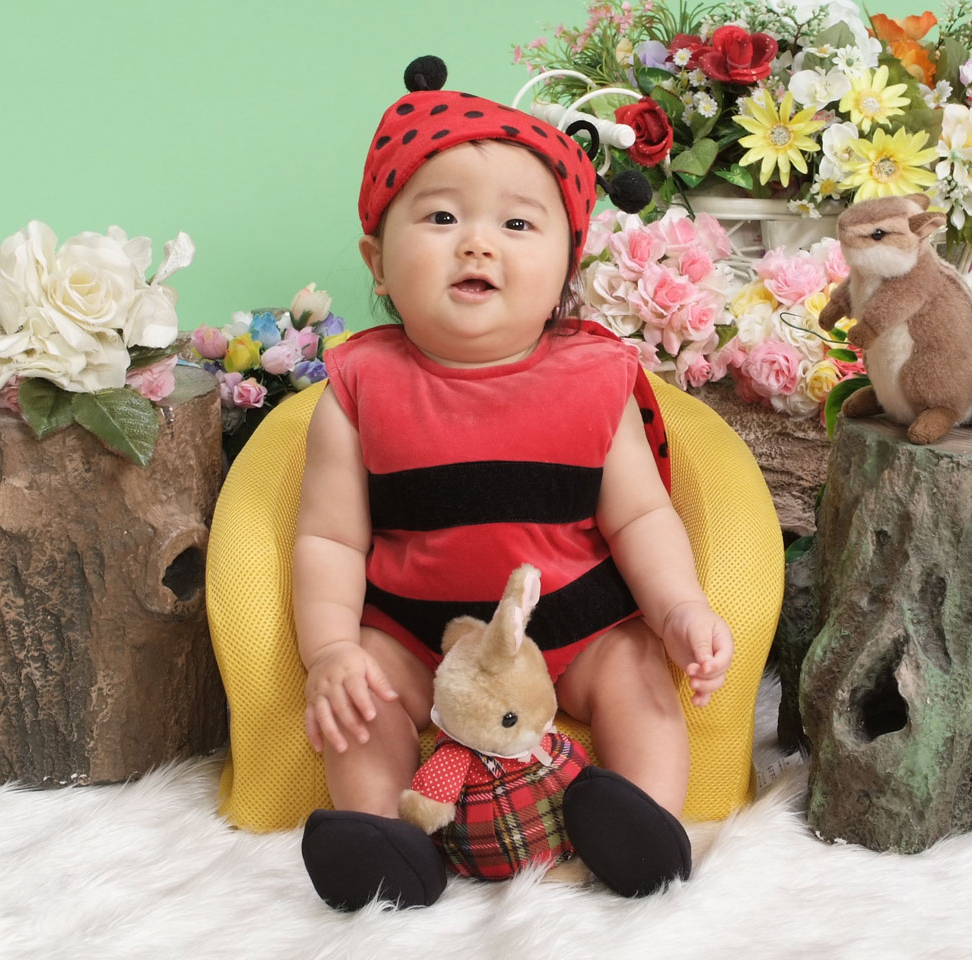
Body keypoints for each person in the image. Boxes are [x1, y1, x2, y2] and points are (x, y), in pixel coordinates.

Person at [293, 57, 734, 911]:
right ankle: (385, 838)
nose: (477, 243)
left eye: (519, 224)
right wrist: (332, 651)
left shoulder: (596, 378)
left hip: (574, 626)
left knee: (639, 674)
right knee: (363, 698)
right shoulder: (359, 385)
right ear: (376, 260)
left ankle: (639, 822)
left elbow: (641, 515)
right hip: (420, 635)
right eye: (442, 216)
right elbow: (331, 538)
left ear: (570, 265)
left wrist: (679, 607)